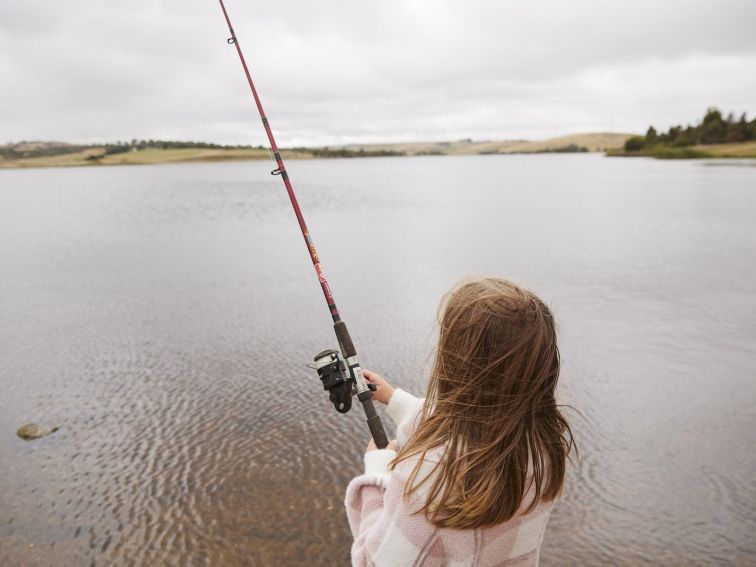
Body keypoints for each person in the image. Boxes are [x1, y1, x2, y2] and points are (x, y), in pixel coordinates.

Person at [344, 277, 576, 566]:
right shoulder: (544, 447)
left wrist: (377, 474)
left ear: (455, 362)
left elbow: (372, 562)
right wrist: (394, 399)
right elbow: (472, 426)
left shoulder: (428, 479)